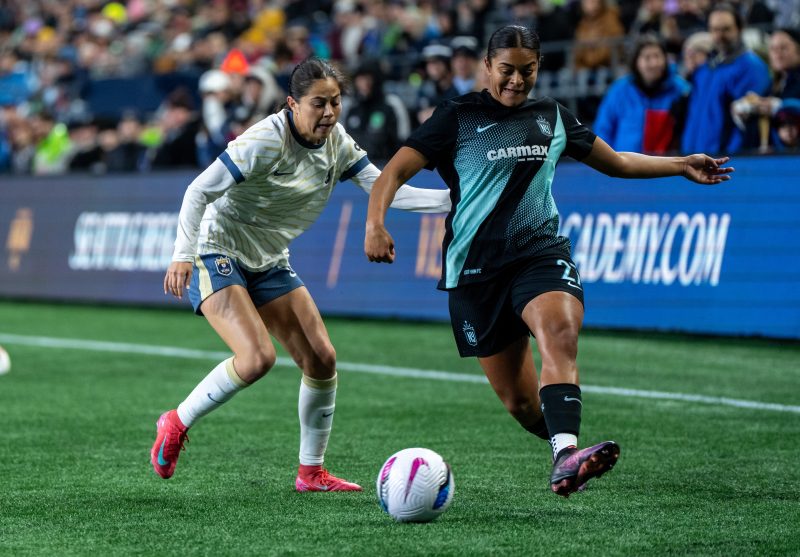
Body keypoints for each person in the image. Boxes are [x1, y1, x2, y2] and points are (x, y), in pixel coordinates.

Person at [364, 25, 733, 498]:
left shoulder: (552, 117)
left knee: (559, 330)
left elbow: (617, 162)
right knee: (520, 403)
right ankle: (562, 445)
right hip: (475, 272)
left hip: (539, 253)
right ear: (487, 67)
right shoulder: (457, 116)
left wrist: (681, 165)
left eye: (528, 70)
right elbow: (392, 173)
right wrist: (375, 225)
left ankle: (566, 455)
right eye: (507, 70)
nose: (517, 80)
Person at [153, 57, 450, 491]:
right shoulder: (263, 140)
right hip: (217, 248)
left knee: (321, 358)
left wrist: (454, 200)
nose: (329, 113)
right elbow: (198, 190)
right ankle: (176, 422)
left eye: (335, 102)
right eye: (318, 103)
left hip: (270, 257)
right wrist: (182, 255)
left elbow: (387, 190)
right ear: (292, 104)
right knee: (257, 359)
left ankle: (311, 473)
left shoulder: (338, 143)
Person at [680, 3, 770, 154]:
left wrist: (732, 156)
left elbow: (747, 121)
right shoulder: (706, 69)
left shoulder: (751, 67)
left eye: (726, 29)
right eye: (715, 29)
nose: (719, 36)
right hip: (694, 156)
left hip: (724, 159)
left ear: (740, 29)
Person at [594, 34, 690, 154]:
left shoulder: (681, 90)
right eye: (647, 58)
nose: (654, 63)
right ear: (636, 62)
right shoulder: (619, 90)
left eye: (657, 56)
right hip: (625, 164)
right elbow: (603, 130)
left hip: (667, 163)